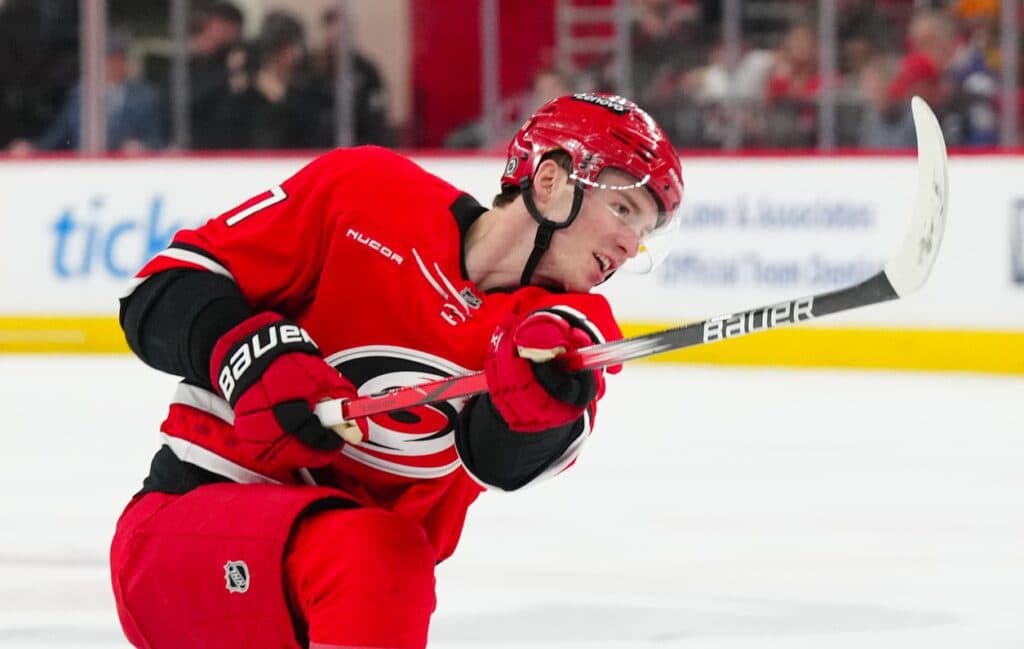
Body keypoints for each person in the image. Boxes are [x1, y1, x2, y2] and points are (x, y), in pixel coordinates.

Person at [110, 92, 684, 649]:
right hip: (184, 532)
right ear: (552, 180)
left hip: (334, 597)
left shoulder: (565, 329)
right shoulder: (366, 193)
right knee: (374, 556)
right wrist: (251, 354)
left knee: (380, 557)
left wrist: (533, 408)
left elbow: (499, 460)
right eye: (624, 209)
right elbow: (157, 294)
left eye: (646, 230)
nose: (631, 246)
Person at [9, 30, 165, 154]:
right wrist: (33, 147)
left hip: (126, 172)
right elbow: (59, 134)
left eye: (115, 59)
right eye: (105, 59)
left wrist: (142, 147)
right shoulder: (80, 93)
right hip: (84, 170)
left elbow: (158, 139)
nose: (109, 65)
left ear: (124, 62)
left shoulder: (145, 96)